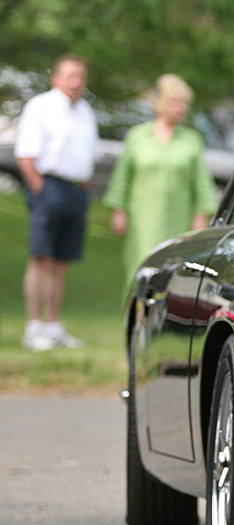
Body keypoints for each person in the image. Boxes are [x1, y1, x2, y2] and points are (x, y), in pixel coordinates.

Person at [14, 54, 98, 351]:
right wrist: (39, 189)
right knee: (42, 257)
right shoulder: (41, 107)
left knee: (62, 261)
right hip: (49, 185)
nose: (76, 82)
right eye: (71, 76)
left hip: (76, 190)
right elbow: (25, 155)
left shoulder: (85, 111)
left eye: (80, 76)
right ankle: (33, 326)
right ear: (57, 78)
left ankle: (53, 325)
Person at [103, 74, 217, 278]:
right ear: (160, 103)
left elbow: (202, 184)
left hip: (179, 221)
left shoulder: (191, 140)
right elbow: (122, 178)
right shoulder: (137, 137)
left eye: (183, 103)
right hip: (142, 221)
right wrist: (118, 210)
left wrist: (201, 215)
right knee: (140, 272)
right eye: (175, 102)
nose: (180, 108)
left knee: (171, 274)